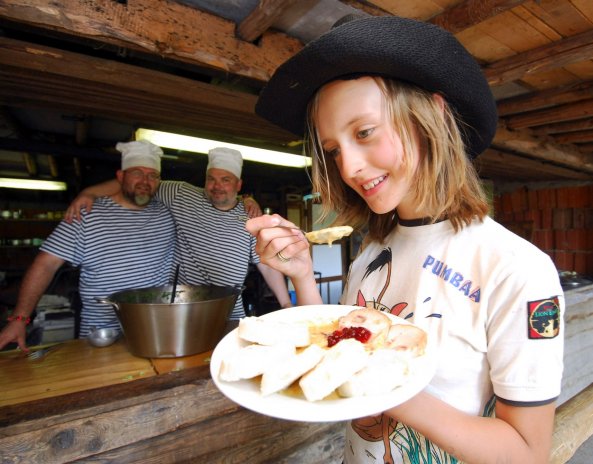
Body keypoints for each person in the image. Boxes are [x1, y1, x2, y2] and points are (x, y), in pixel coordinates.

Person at [245, 15, 564, 464]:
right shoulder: (373, 251)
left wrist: (376, 379)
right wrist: (301, 275)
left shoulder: (514, 267)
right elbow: (335, 343)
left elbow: (527, 453)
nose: (349, 167)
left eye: (364, 132)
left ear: (431, 114)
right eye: (334, 149)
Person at [67, 146, 292, 326]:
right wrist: (89, 193)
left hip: (231, 313)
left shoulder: (250, 217)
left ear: (239, 185)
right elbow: (138, 184)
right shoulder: (180, 195)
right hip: (184, 311)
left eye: (226, 180)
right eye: (211, 178)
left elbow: (266, 264)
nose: (217, 186)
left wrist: (285, 304)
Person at [0, 140, 178, 351]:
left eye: (152, 175)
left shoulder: (168, 212)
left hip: (156, 331)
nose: (145, 181)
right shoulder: (87, 214)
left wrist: (89, 190)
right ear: (120, 176)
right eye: (137, 173)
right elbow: (46, 264)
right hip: (103, 335)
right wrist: (20, 319)